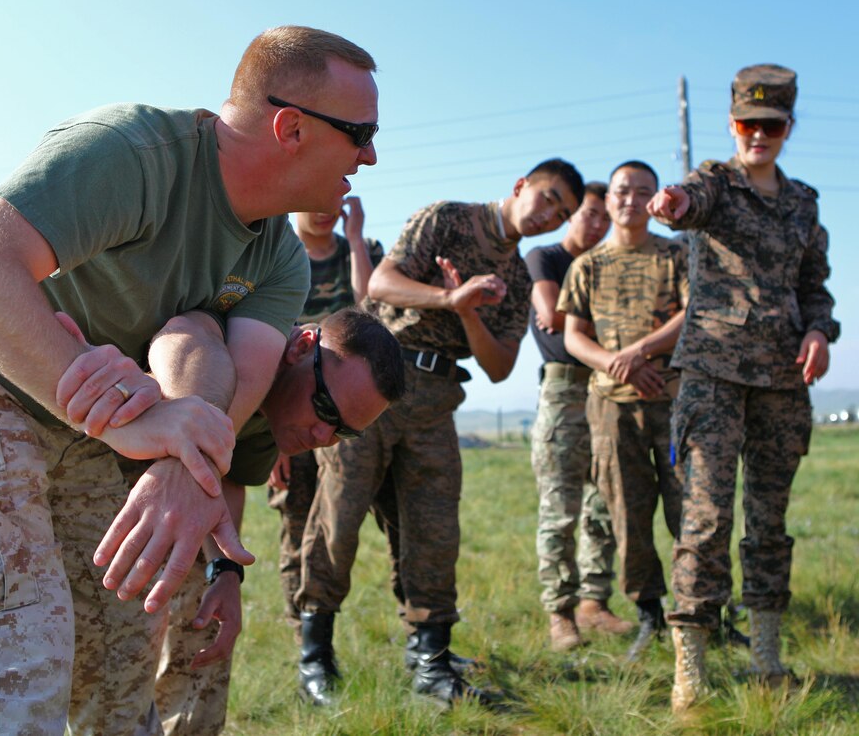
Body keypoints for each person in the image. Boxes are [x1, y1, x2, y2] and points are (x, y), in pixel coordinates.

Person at [0, 25, 379, 735]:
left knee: (122, 658)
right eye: (360, 133)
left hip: (84, 418)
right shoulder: (134, 152)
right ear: (291, 127)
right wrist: (131, 422)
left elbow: (225, 363)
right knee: (12, 670)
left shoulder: (275, 254)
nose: (371, 155)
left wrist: (186, 456)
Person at [296, 159, 584, 707]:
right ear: (521, 185)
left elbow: (499, 366)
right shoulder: (447, 219)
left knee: (434, 531)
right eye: (547, 198)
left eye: (562, 213)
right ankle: (316, 657)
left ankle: (429, 659)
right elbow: (382, 281)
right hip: (371, 386)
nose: (549, 216)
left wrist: (469, 313)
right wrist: (447, 298)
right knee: (338, 520)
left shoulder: (519, 276)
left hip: (434, 399)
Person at [647, 64, 839, 713]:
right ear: (732, 124)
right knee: (705, 518)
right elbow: (687, 200)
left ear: (788, 128)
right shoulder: (715, 183)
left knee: (769, 520)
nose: (758, 134)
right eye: (747, 123)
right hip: (713, 373)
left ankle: (766, 657)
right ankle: (691, 669)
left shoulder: (804, 201)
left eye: (772, 125)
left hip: (783, 377)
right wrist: (672, 205)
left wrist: (819, 331)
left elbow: (814, 283)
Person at [150, 308, 404, 735]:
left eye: (344, 431)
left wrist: (225, 571)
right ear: (302, 347)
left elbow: (225, 479)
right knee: (114, 679)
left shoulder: (280, 407)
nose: (324, 438)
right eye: (325, 408)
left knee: (203, 634)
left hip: (172, 505)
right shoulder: (225, 354)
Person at [559, 160, 688, 662]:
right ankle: (651, 615)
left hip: (674, 403)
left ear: (654, 199)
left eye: (642, 191)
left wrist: (642, 352)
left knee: (690, 513)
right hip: (613, 407)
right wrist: (619, 365)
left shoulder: (676, 255)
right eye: (621, 191)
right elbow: (573, 336)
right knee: (627, 515)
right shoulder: (587, 265)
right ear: (608, 199)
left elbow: (691, 312)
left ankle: (700, 610)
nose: (630, 199)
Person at [266, 196, 385, 640]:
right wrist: (271, 436)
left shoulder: (363, 249)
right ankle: (300, 628)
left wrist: (354, 241)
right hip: (290, 400)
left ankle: (318, 619)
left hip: (342, 411)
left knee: (333, 521)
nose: (324, 210)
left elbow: (372, 317)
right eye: (314, 201)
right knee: (296, 519)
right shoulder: (277, 251)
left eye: (333, 203)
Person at [526, 181, 632, 651]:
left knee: (603, 504)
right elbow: (551, 316)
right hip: (564, 390)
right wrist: (603, 329)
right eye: (590, 213)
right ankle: (560, 612)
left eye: (604, 217)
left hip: (608, 390)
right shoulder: (545, 258)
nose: (597, 224)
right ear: (573, 214)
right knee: (560, 508)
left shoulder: (608, 265)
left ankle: (594, 602)